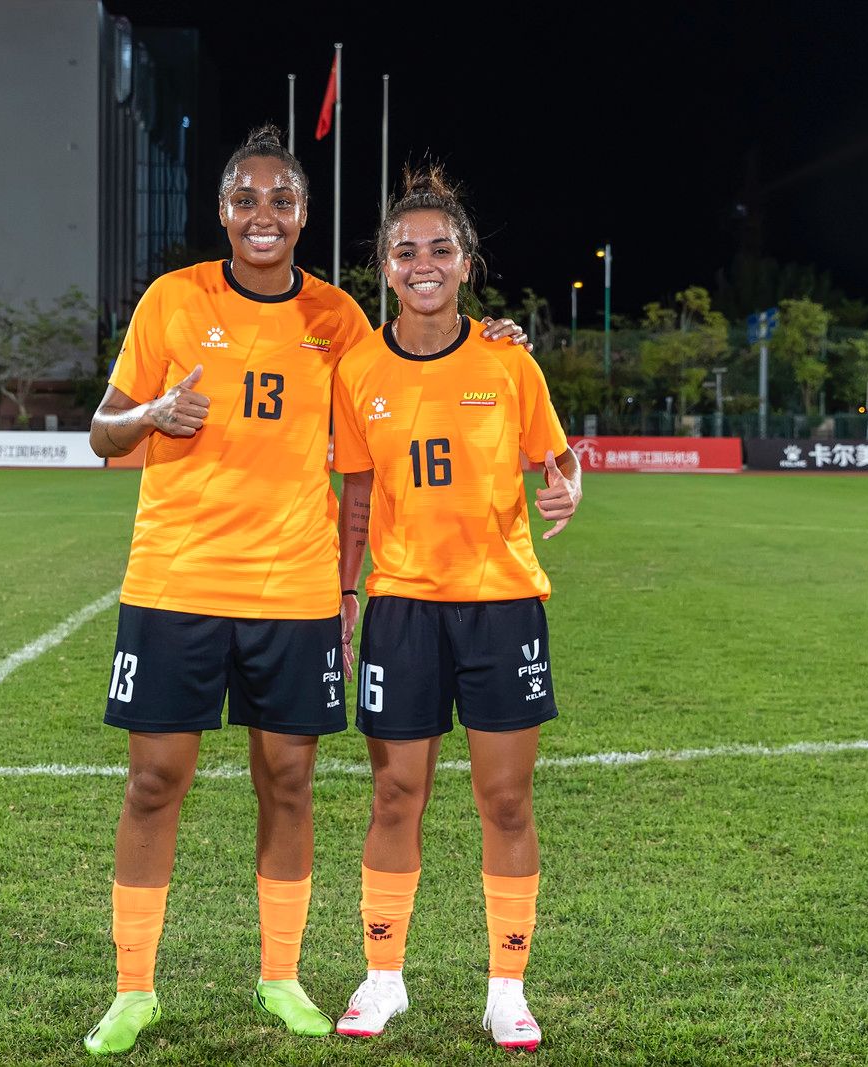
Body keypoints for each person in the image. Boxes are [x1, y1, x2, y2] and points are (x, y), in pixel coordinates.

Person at [83, 127, 530, 1056]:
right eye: (245, 199)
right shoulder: (172, 301)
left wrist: (497, 341)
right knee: (154, 780)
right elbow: (101, 432)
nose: (262, 216)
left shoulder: (337, 320)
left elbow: (411, 373)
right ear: (222, 212)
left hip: (294, 590)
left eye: (280, 200)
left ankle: (280, 974)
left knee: (288, 781)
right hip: (176, 578)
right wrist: (150, 415)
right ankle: (133, 987)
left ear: (303, 215)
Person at [329, 164, 582, 1052]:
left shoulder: (509, 360)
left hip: (504, 605)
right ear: (385, 267)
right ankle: (382, 975)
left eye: (441, 247)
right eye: (406, 250)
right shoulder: (359, 368)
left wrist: (568, 487)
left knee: (506, 800)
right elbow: (355, 495)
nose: (423, 261)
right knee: (396, 794)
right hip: (402, 608)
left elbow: (557, 459)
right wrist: (347, 588)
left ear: (467, 262)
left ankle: (506, 987)